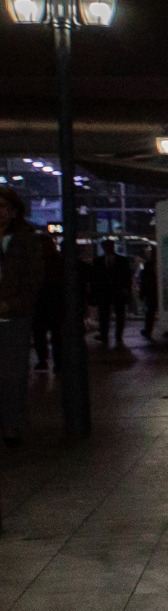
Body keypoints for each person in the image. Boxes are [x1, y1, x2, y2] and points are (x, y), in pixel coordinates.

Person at [0, 190, 40, 445]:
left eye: (3, 206)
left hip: (14, 317)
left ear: (13, 211)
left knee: (13, 373)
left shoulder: (26, 240)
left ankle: (11, 424)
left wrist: (11, 304)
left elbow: (34, 281)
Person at [31, 230, 61, 373]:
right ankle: (55, 361)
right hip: (52, 301)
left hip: (43, 301)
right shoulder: (57, 261)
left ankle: (44, 360)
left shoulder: (34, 262)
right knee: (54, 333)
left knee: (41, 332)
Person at [91, 241, 131, 348]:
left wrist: (126, 289)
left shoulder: (100, 261)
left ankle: (114, 335)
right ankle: (108, 335)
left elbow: (127, 276)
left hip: (115, 291)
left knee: (115, 314)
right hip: (108, 291)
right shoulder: (101, 261)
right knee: (107, 314)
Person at [135, 243, 159, 342]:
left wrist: (142, 293)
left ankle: (148, 330)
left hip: (151, 292)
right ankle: (149, 330)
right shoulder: (156, 264)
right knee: (151, 312)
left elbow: (144, 281)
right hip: (154, 292)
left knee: (150, 312)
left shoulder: (148, 265)